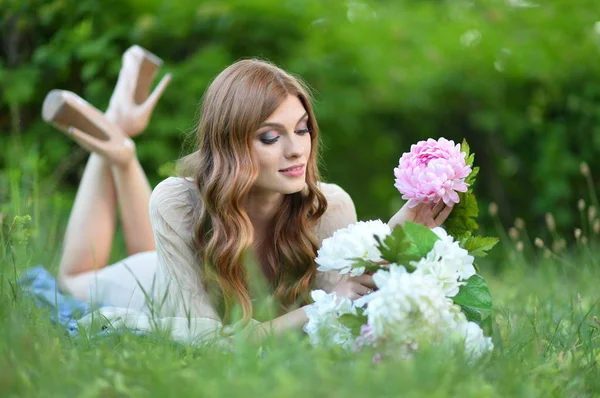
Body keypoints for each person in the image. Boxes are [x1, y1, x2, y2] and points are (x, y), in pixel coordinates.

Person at [43, 48, 453, 343]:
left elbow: (341, 307)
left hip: (175, 265)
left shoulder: (329, 206)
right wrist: (315, 311)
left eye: (302, 128)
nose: (296, 150)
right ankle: (117, 146)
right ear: (231, 144)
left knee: (152, 240)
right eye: (271, 136)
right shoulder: (175, 200)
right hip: (148, 285)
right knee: (72, 279)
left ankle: (119, 140)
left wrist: (395, 242)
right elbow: (209, 340)